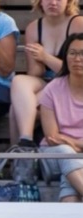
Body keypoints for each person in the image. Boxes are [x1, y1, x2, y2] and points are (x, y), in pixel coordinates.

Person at [9, 0, 83, 147]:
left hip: (72, 82)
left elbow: (76, 68)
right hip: (48, 82)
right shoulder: (34, 28)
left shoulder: (78, 24)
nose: (53, 3)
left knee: (15, 110)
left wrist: (45, 57)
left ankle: (23, 150)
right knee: (18, 83)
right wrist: (36, 59)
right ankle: (24, 146)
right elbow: (35, 73)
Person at [37, 33, 83, 202]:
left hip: (75, 160)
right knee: (67, 153)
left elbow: (60, 138)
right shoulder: (52, 89)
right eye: (72, 53)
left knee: (70, 176)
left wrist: (71, 142)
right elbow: (52, 138)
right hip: (53, 155)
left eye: (82, 53)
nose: (77, 59)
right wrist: (74, 146)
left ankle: (69, 211)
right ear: (65, 56)